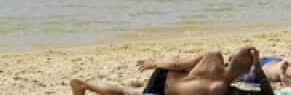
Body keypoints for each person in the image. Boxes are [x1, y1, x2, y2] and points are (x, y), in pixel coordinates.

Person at [70, 46, 272, 95]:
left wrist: (154, 63)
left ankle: (84, 83)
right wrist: (257, 68)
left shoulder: (213, 56)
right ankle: (84, 85)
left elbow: (179, 65)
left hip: (166, 72)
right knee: (125, 93)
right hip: (165, 90)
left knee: (130, 91)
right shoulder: (219, 88)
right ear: (244, 73)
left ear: (229, 58)